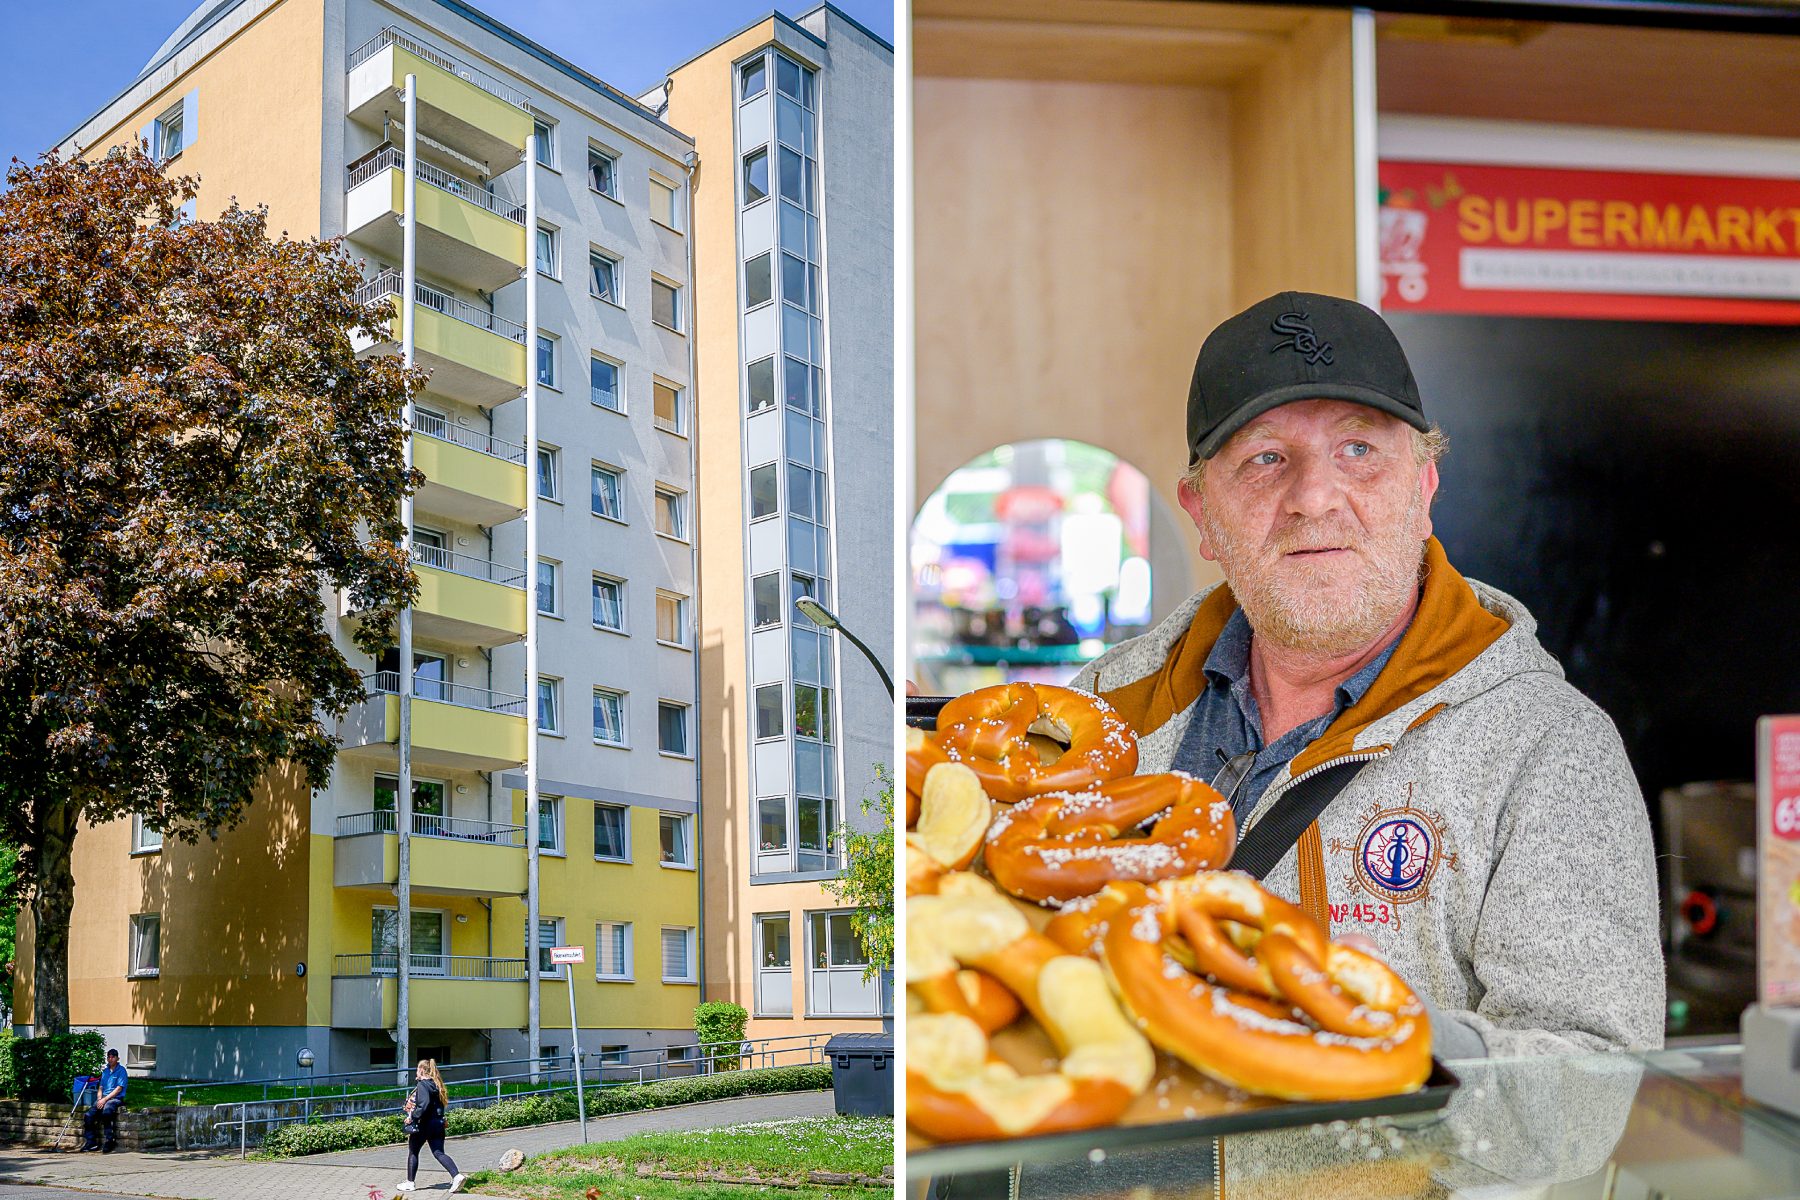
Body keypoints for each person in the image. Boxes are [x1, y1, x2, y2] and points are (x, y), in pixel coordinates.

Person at [1071, 291, 1664, 1059]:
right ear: (1202, 513)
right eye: (1265, 458)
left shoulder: (1549, 750)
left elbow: (1594, 1083)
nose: (1314, 497)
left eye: (1359, 450)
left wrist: (1373, 1054)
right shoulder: (1098, 711)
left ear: (1423, 491)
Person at [397, 1058, 464, 1194]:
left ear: (422, 1070)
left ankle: (410, 1183)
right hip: (438, 1123)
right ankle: (457, 1176)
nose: (416, 1071)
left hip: (424, 1125)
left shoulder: (423, 1084)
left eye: (417, 1069)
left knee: (413, 1151)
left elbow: (424, 1104)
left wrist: (413, 1117)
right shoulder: (437, 1085)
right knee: (439, 1152)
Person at [81, 1048, 127, 1152]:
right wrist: (99, 1099)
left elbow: (119, 1089)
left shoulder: (121, 1071)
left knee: (107, 1112)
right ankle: (91, 1142)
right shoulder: (105, 1071)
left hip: (115, 1098)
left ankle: (109, 1140)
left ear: (117, 1058)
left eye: (113, 1057)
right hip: (103, 1098)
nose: (110, 1059)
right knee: (88, 1116)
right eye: (109, 1057)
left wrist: (105, 1099)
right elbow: (101, 1087)